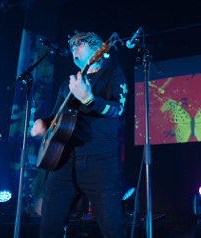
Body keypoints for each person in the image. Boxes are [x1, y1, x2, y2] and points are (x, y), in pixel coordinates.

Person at [31, 31, 127, 238]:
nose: (74, 48)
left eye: (79, 44)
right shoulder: (67, 84)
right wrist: (43, 123)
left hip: (99, 161)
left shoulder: (112, 75)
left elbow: (116, 110)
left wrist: (88, 98)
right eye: (72, 45)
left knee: (112, 229)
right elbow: (55, 116)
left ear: (97, 50)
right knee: (49, 228)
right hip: (63, 161)